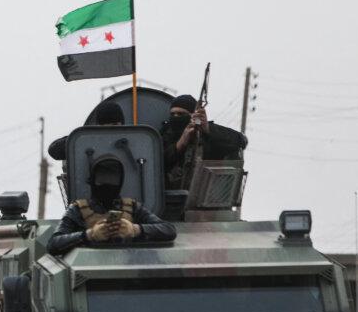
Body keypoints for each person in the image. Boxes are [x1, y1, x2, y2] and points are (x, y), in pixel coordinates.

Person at [48, 155, 176, 256]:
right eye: (102, 178)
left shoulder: (132, 207)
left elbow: (168, 230)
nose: (107, 183)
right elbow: (54, 244)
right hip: (90, 273)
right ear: (93, 180)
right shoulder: (78, 209)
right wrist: (89, 235)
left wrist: (135, 230)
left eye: (113, 178)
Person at [160, 94, 247, 186]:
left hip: (203, 192)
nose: (176, 117)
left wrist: (208, 130)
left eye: (181, 114)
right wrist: (180, 145)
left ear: (193, 116)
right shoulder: (165, 134)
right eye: (173, 114)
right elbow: (157, 161)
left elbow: (241, 140)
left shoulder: (205, 131)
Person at [48, 101, 126, 161]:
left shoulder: (130, 141)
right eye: (105, 128)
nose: (111, 133)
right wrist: (86, 141)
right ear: (99, 128)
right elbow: (54, 150)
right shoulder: (92, 143)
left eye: (115, 126)